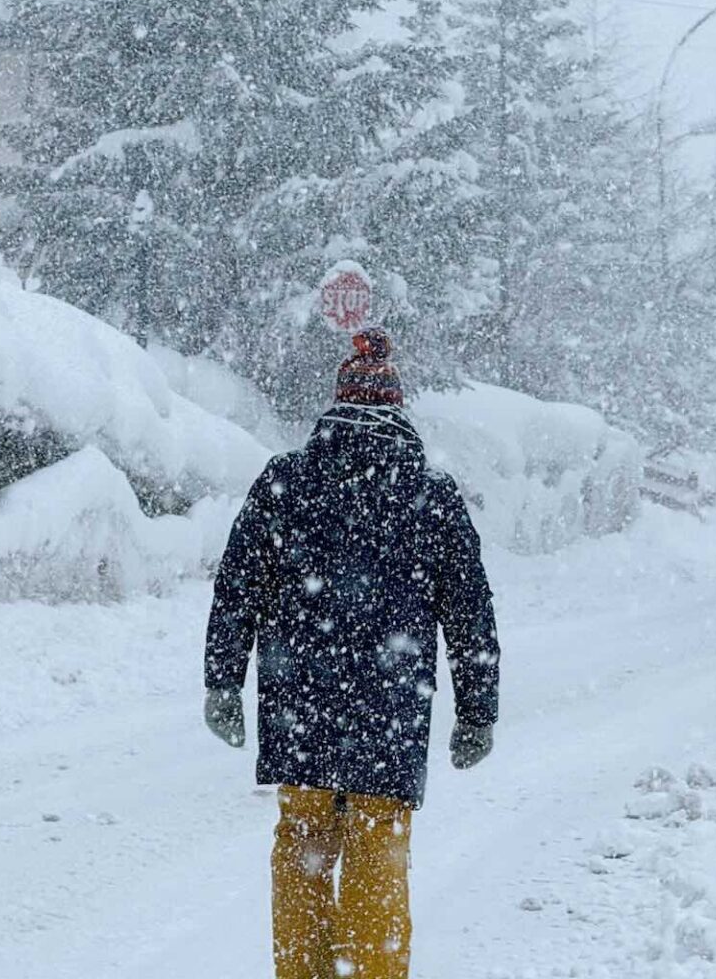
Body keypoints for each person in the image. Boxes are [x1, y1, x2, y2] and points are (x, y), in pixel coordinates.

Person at [203, 328, 501, 979]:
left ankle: (303, 971)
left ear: (336, 406)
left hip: (299, 702)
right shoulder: (430, 494)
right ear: (399, 409)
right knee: (376, 850)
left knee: (303, 846)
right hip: (389, 712)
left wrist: (222, 681)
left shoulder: (285, 480)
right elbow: (469, 610)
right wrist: (477, 710)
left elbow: (237, 588)